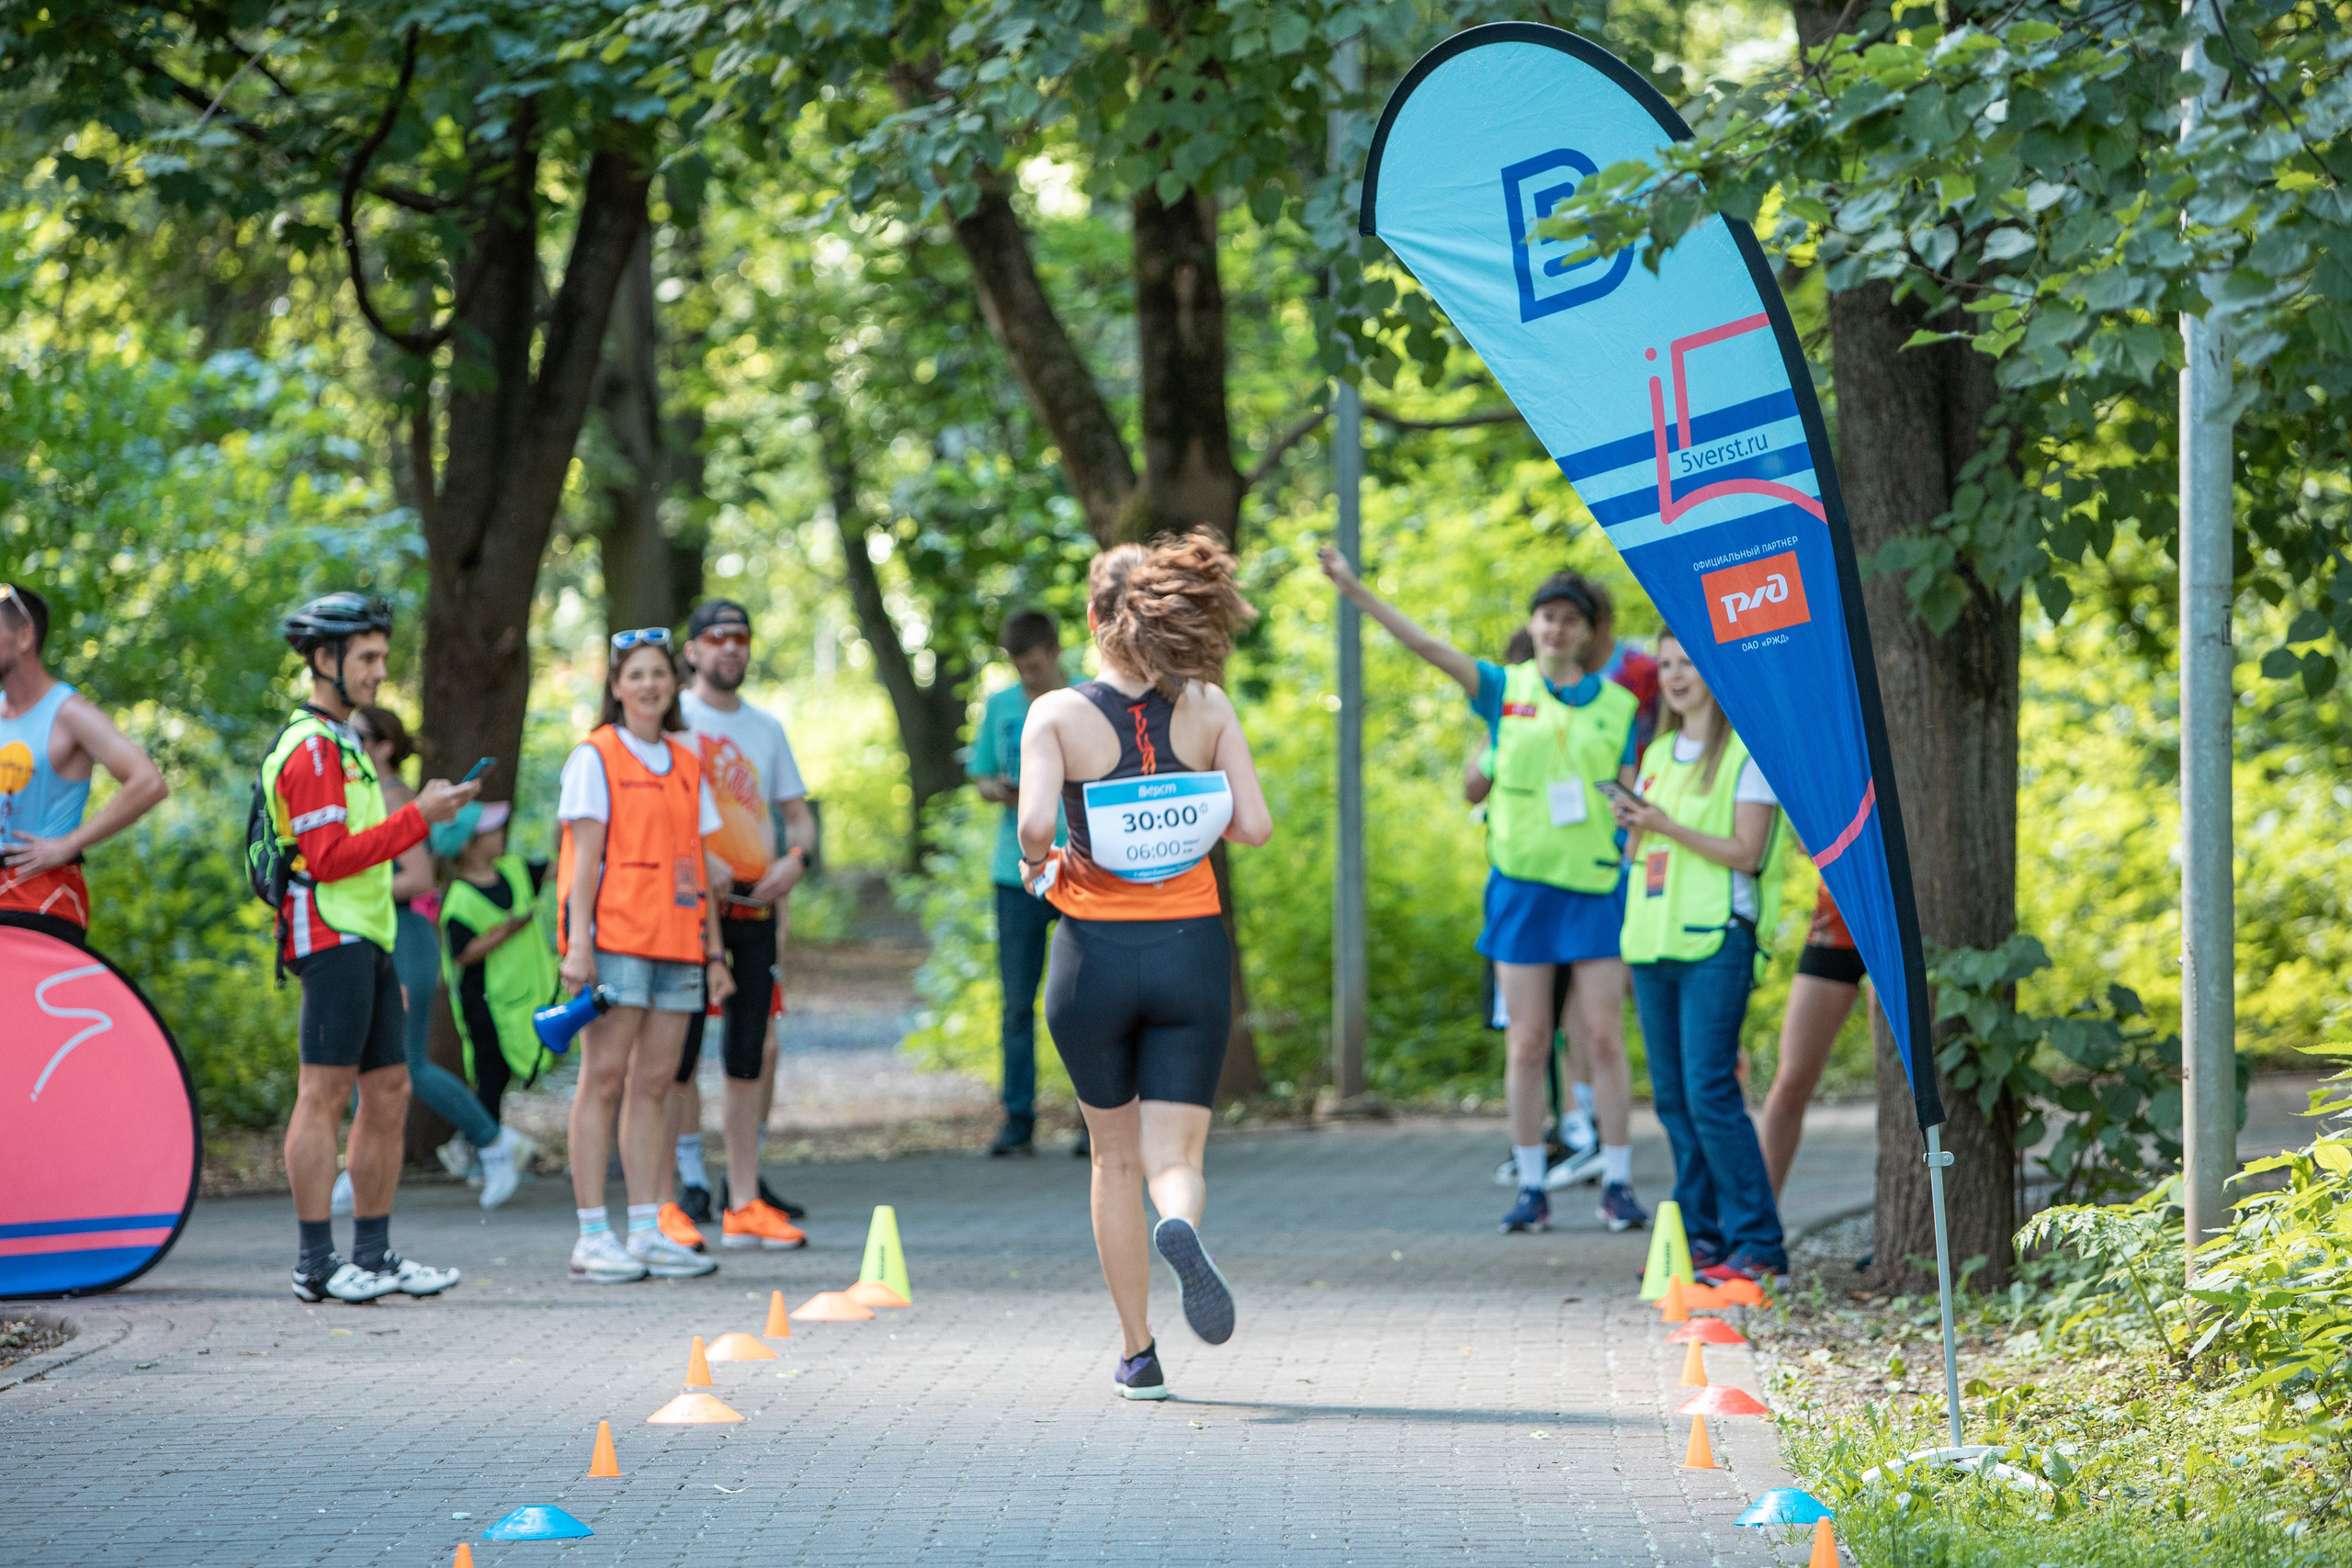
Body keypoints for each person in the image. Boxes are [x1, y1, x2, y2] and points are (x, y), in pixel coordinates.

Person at [1321, 549, 1645, 1235]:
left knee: (1602, 1036)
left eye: (1568, 619)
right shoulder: (1504, 687)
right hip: (1522, 891)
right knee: (1527, 1043)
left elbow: (1631, 800)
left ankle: (1617, 1179)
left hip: (1594, 890)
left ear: (1588, 632)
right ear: (1533, 625)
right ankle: (1532, 1183)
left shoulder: (1620, 704)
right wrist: (1354, 589)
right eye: (1546, 618)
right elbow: (1425, 645)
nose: (1556, 630)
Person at [1020, 531, 1271, 1400]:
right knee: (1177, 1154)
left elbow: (1032, 827)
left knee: (1109, 1159)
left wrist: (1044, 859)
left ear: (1095, 617)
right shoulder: (1206, 704)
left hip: (1091, 958)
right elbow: (1254, 826)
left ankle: (1138, 1352)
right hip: (1191, 951)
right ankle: (1180, 1223)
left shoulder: (1055, 713)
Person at [262, 592, 476, 1303]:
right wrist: (420, 816)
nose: (381, 671)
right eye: (368, 657)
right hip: (329, 933)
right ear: (325, 661)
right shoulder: (312, 746)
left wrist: (417, 816)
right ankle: (316, 1264)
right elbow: (328, 858)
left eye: (382, 656)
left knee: (390, 1090)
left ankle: (375, 1256)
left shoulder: (346, 739)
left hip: (372, 932)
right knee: (322, 1094)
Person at [1610, 631, 1789, 1286]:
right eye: (1666, 664)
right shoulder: (1655, 751)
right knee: (1675, 1100)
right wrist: (1635, 826)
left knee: (1711, 1092)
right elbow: (1641, 853)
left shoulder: (1748, 752)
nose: (1675, 675)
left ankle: (1758, 1242)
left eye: (1687, 662)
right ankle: (1702, 1238)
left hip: (1717, 938)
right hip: (1654, 942)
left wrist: (1662, 824)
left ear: (1713, 669)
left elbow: (1748, 852)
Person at [556, 627, 732, 1284]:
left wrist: (714, 951)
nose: (649, 685)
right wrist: (578, 945)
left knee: (656, 1085)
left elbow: (701, 865)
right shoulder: (596, 756)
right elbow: (585, 861)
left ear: (673, 683)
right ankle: (592, 1232)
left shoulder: (687, 762)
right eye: (637, 674)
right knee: (602, 1080)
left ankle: (645, 1225)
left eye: (659, 673)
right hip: (615, 944)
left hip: (679, 946)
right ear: (616, 686)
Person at [661, 599, 815, 1254]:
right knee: (675, 1059)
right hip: (688, 913)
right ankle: (668, 1197)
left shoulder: (766, 727)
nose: (731, 650)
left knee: (749, 1056)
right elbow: (660, 816)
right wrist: (701, 858)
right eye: (717, 639)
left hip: (754, 910)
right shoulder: (672, 723)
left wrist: (794, 862)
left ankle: (744, 1198)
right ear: (691, 650)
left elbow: (799, 818)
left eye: (741, 639)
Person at [337, 706, 534, 1212]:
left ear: (383, 747)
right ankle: (358, 1170)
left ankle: (493, 1142)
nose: (344, 742)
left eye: (356, 735)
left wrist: (348, 883)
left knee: (409, 1064)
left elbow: (419, 877)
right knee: (368, 1062)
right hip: (382, 937)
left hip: (408, 940)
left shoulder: (395, 796)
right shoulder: (362, 795)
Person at [0, 581, 169, 944]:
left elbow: (148, 782)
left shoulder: (70, 713)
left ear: (24, 636)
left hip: (43, 902)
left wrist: (67, 844)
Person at [970, 607, 1069, 1158]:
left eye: (1033, 665)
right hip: (1015, 872)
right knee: (1017, 1002)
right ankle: (1018, 1117)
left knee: (1087, 998)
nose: (1027, 676)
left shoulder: (1085, 698)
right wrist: (1002, 789)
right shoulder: (1003, 706)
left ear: (1054, 653)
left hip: (1077, 866)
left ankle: (1091, 1116)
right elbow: (982, 776)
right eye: (1018, 667)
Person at [432, 799, 552, 1204]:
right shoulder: (460, 899)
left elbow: (559, 867)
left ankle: (475, 1148)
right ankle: (477, 1148)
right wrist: (507, 930)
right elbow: (462, 952)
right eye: (491, 831)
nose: (501, 834)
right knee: (490, 1076)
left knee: (501, 1078)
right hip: (483, 1003)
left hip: (522, 1000)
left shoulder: (516, 871)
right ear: (468, 844)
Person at [1759, 880, 1869, 1193]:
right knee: (1791, 1080)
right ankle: (1759, 1227)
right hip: (1834, 925)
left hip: (1894, 928)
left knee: (1899, 1083)